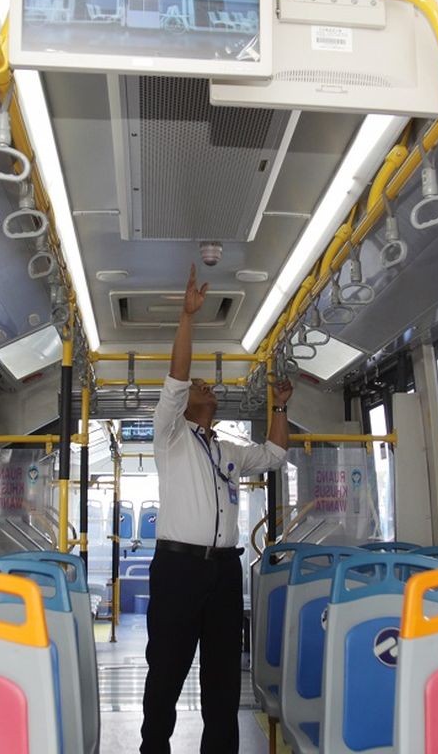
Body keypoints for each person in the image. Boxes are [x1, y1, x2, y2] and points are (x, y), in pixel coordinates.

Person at [141, 265, 292, 754]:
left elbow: (274, 455)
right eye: (200, 387)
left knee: (225, 677)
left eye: (208, 386)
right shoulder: (171, 436)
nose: (207, 388)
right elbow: (178, 376)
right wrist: (188, 318)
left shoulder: (227, 448)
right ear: (184, 405)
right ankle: (153, 749)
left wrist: (281, 407)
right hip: (178, 567)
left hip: (224, 570)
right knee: (166, 667)